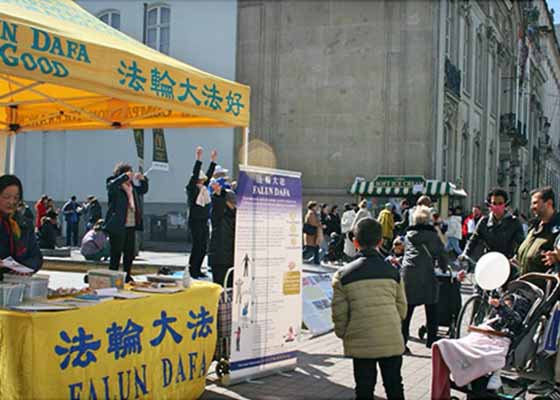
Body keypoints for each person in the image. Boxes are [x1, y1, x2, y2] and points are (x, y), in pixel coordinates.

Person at [331, 218, 407, 400]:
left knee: (364, 388)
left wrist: (345, 334)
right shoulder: (393, 272)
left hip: (360, 339)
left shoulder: (343, 275)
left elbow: (339, 313)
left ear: (355, 242)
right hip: (391, 338)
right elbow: (402, 308)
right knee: (394, 385)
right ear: (381, 241)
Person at [402, 205, 447, 350]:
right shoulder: (432, 235)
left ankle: (402, 341)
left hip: (408, 273)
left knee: (407, 309)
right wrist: (444, 267)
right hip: (426, 272)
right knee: (432, 306)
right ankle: (432, 340)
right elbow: (441, 252)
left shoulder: (409, 235)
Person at [103, 162, 149, 283]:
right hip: (118, 224)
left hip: (131, 223)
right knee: (116, 252)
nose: (130, 177)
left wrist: (143, 180)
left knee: (129, 252)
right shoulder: (115, 184)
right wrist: (123, 177)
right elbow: (110, 186)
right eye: (128, 174)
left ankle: (127, 275)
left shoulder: (131, 187)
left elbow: (143, 190)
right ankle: (113, 275)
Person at [460, 189, 525, 263]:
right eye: (494, 203)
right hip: (489, 261)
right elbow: (473, 239)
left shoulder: (514, 222)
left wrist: (515, 258)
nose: (497, 206)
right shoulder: (484, 221)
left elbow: (521, 244)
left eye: (500, 203)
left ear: (505, 204)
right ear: (489, 205)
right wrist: (465, 253)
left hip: (507, 262)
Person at [0, 175, 43, 278]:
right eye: (6, 197)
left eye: (16, 197)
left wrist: (23, 268)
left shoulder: (24, 224)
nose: (11, 202)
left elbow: (36, 257)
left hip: (16, 284)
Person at [186, 146, 217, 278]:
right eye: (201, 179)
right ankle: (192, 270)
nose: (203, 181)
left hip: (204, 219)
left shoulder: (204, 189)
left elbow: (209, 175)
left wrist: (213, 162)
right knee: (197, 246)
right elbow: (194, 175)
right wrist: (198, 159)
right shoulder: (192, 189)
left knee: (203, 247)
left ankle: (198, 269)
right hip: (195, 220)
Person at [515, 186, 560, 276]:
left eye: (535, 203)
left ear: (549, 203)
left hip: (546, 288)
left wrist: (557, 258)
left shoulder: (558, 228)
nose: (532, 207)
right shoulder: (533, 227)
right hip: (524, 285)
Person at [208, 181, 236, 288]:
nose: (234, 204)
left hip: (229, 258)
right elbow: (217, 204)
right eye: (232, 202)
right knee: (220, 288)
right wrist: (219, 193)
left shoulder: (234, 215)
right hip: (219, 258)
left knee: (229, 289)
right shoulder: (219, 215)